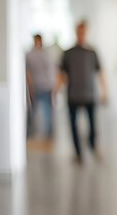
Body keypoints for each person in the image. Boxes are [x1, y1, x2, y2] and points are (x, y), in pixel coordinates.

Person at [56, 22, 108, 164]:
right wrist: (56, 90)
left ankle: (92, 145)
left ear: (86, 33)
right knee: (73, 125)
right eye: (79, 32)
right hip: (73, 95)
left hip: (90, 94)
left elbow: (100, 73)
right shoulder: (68, 53)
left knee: (92, 125)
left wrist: (105, 91)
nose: (81, 34)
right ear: (76, 32)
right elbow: (62, 74)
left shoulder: (92, 52)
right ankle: (78, 153)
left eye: (83, 32)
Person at [26, 34, 58, 148]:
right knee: (39, 112)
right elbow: (29, 74)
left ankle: (46, 135)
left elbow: (51, 71)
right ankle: (41, 135)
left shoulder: (35, 55)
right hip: (39, 86)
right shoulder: (34, 55)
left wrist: (54, 87)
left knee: (46, 112)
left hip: (45, 86)